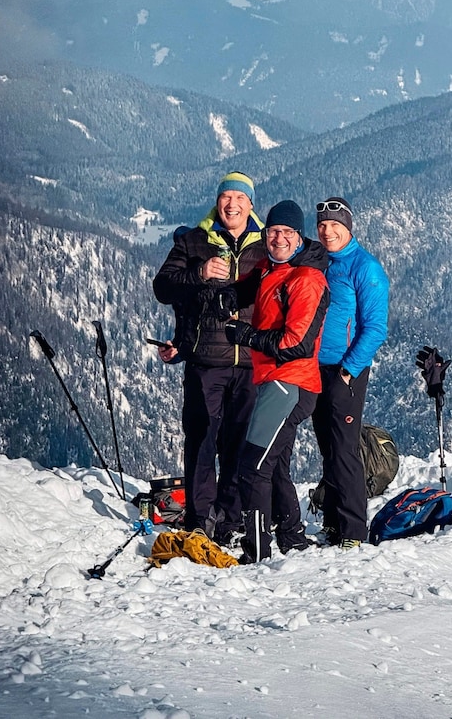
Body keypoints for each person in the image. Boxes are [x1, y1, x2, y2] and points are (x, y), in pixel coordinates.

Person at [152, 171, 265, 545]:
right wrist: (198, 273)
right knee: (201, 441)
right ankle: (200, 518)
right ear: (217, 201)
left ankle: (229, 519)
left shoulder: (266, 245)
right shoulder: (193, 241)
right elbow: (163, 287)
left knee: (238, 444)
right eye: (226, 197)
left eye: (239, 198)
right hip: (205, 362)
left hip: (252, 362)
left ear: (251, 205)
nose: (231, 204)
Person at [215, 200, 330, 563]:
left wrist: (246, 336)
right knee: (275, 462)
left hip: (290, 383)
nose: (278, 238)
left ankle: (257, 551)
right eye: (273, 232)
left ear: (299, 237)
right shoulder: (271, 266)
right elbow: (252, 284)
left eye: (286, 233)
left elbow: (296, 344)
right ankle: (291, 536)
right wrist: (230, 295)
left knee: (253, 467)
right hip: (275, 381)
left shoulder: (307, 280)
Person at [312, 196, 389, 549]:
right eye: (323, 225)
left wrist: (349, 369)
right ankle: (332, 522)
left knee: (345, 449)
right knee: (327, 446)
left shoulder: (365, 267)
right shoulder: (321, 261)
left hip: (346, 370)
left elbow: (375, 327)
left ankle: (354, 530)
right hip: (314, 367)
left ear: (348, 228)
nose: (328, 231)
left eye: (335, 225)